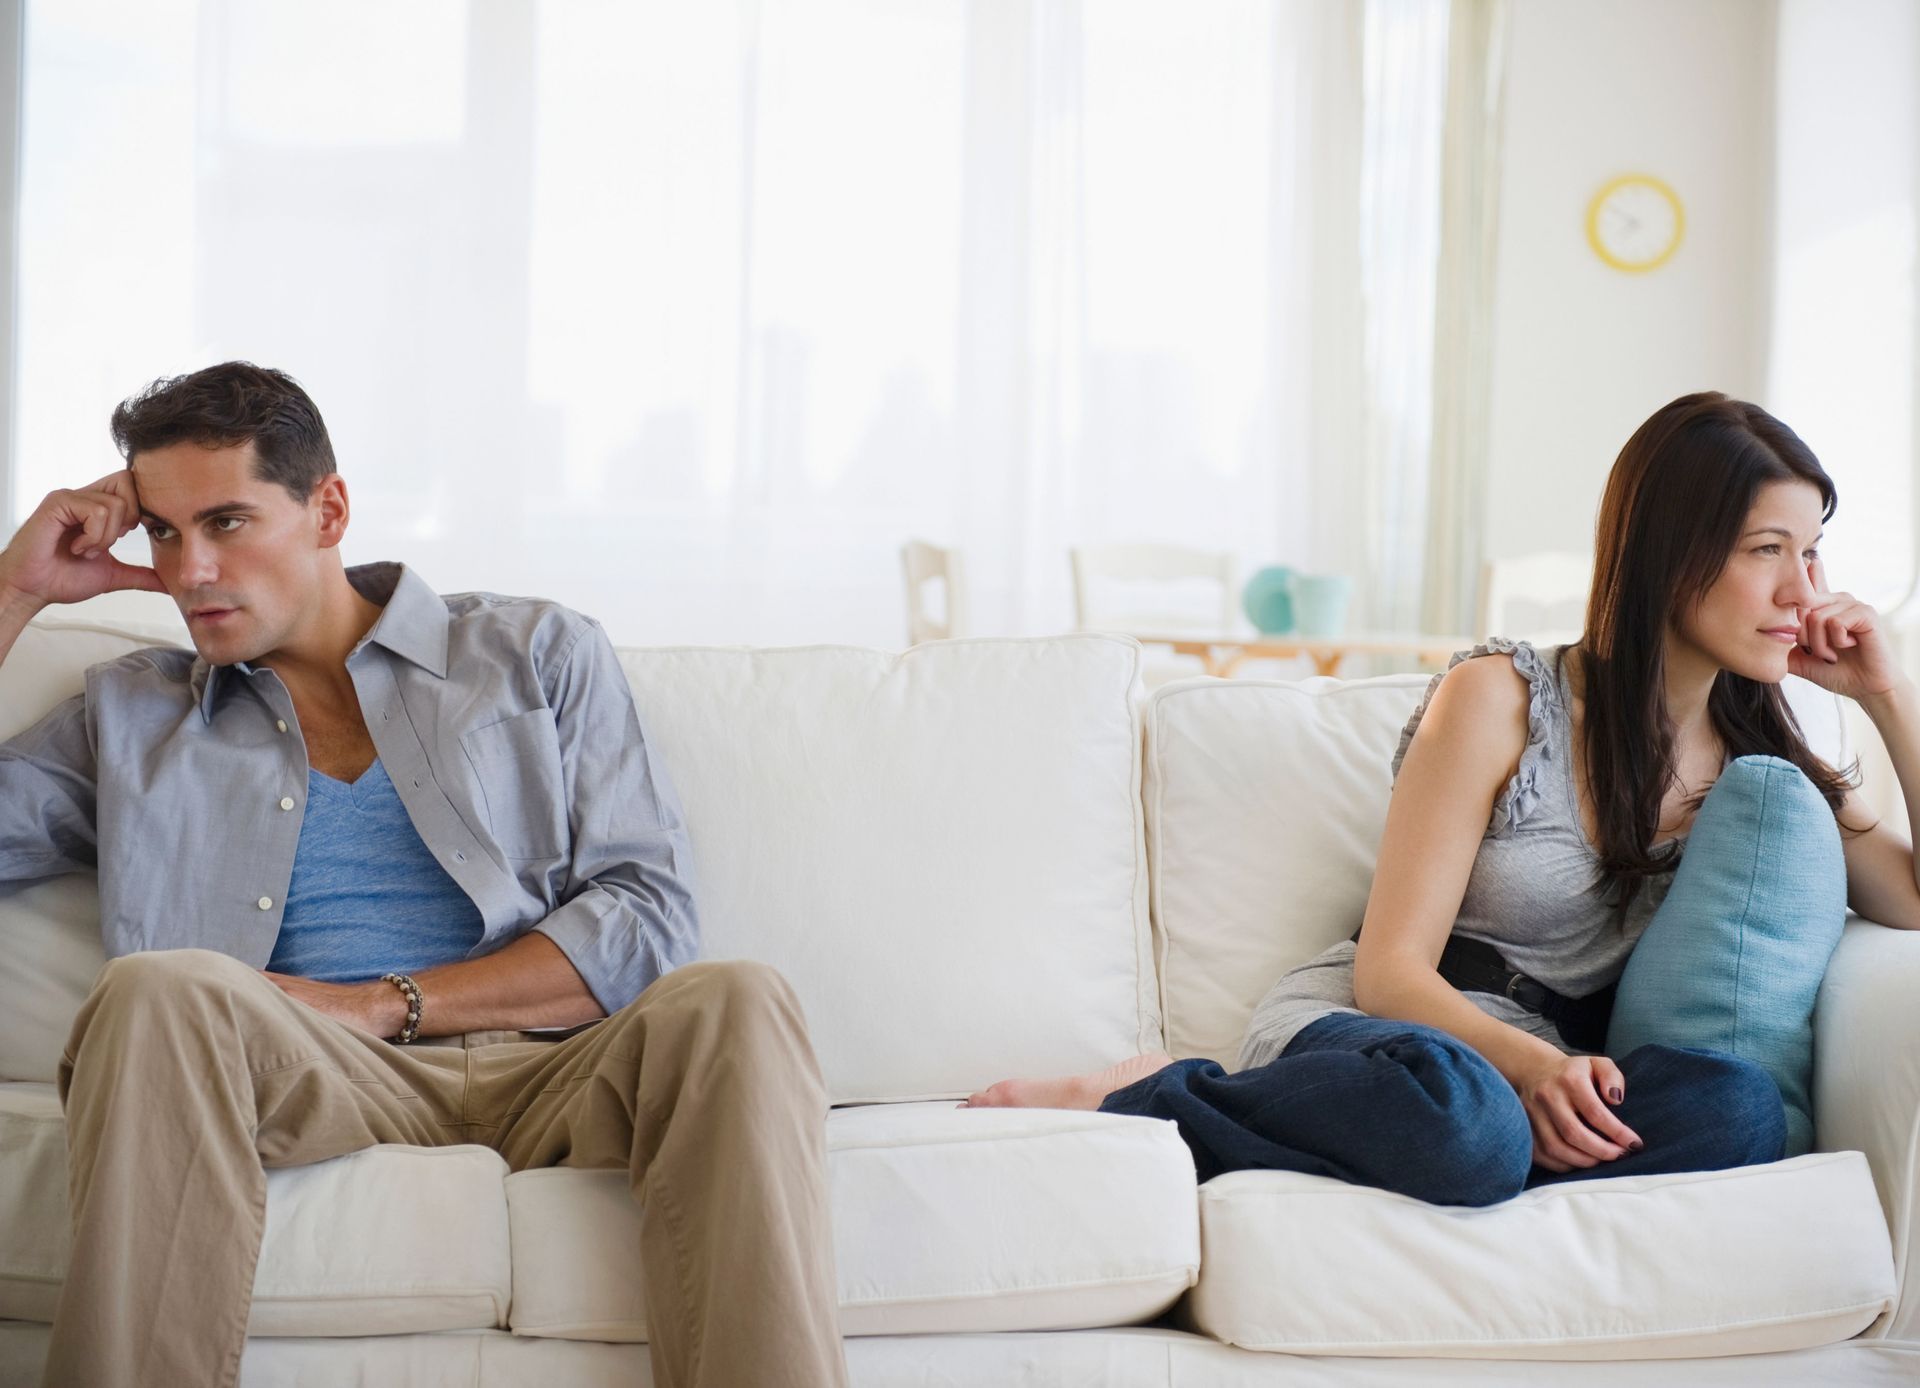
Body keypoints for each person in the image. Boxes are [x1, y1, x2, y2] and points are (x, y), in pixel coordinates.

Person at [0, 362, 849, 1388]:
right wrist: (15, 590)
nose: (190, 571)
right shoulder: (133, 716)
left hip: (559, 1066)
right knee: (156, 989)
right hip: (304, 1070)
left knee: (738, 1000)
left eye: (226, 522)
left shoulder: (536, 653)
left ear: (329, 510)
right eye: (164, 533)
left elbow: (646, 921)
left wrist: (378, 1003)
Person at [969, 390, 1920, 1203]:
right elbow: (1389, 971)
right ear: (1671, 553)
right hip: (1400, 1039)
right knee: (1467, 1123)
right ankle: (1155, 1096)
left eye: (1813, 553)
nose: (1803, 591)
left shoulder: (1764, 767)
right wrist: (1529, 1067)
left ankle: (1478, 1160)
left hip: (1547, 1079)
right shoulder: (1501, 698)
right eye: (1768, 550)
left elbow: (1912, 902)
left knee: (1739, 1109)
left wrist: (1887, 693)